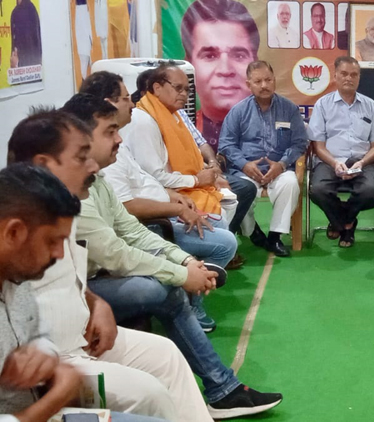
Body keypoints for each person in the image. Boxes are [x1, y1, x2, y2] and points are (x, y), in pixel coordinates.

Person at [62, 93, 282, 419]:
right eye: (110, 131)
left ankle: (221, 388)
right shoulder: (72, 191)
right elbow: (115, 253)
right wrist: (180, 273)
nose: (119, 137)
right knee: (161, 289)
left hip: (96, 281)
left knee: (178, 275)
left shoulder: (98, 178)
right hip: (95, 282)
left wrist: (182, 261)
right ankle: (221, 387)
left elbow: (131, 231)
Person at [7, 109, 213, 421]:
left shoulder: (61, 207)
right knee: (149, 393)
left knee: (166, 356)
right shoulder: (24, 228)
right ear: (43, 165)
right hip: (57, 363)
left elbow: (69, 275)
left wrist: (95, 300)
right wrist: (59, 383)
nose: (93, 165)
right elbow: (117, 253)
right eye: (81, 156)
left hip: (78, 341)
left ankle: (218, 393)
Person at [0, 164, 164, 422]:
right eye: (51, 242)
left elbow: (35, 336)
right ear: (13, 232)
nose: (60, 255)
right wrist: (60, 393)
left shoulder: (14, 280)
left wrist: (44, 356)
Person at [82, 72, 238, 330]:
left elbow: (145, 180)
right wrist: (179, 202)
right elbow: (128, 215)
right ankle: (193, 302)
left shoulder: (126, 136)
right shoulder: (126, 135)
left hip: (166, 205)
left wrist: (175, 196)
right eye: (125, 98)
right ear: (106, 104)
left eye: (187, 89)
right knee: (223, 242)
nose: (132, 103)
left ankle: (194, 289)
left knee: (219, 223)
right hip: (155, 222)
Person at [219, 60, 308, 257]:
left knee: (291, 184)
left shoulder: (289, 109)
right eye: (258, 81)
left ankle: (275, 237)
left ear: (275, 80)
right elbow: (226, 143)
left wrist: (282, 164)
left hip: (279, 168)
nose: (264, 85)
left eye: (268, 80)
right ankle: (253, 232)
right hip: (247, 170)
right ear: (248, 84)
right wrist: (244, 165)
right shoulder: (238, 111)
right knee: (240, 191)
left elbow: (300, 143)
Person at [122, 65, 228, 224]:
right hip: (160, 195)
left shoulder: (173, 115)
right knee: (221, 217)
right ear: (157, 88)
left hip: (177, 187)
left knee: (228, 197)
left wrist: (209, 174)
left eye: (187, 90)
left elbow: (192, 157)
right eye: (178, 88)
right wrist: (196, 180)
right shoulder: (143, 121)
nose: (184, 94)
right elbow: (155, 177)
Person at [308, 56, 374, 248]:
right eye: (344, 74)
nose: (348, 78)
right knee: (317, 190)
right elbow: (318, 146)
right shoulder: (322, 105)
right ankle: (347, 226)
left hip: (362, 161)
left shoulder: (371, 106)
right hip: (330, 160)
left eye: (353, 75)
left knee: (369, 193)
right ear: (335, 76)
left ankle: (340, 220)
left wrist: (361, 163)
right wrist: (335, 163)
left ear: (359, 78)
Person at [180, 0, 259, 152]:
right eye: (210, 56)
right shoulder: (179, 126)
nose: (225, 70)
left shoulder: (271, 124)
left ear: (255, 61)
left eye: (239, 56)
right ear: (189, 65)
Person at [9, 0, 42, 68]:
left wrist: (17, 64)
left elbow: (27, 43)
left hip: (24, 69)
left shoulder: (20, 11)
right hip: (33, 69)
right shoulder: (31, 9)